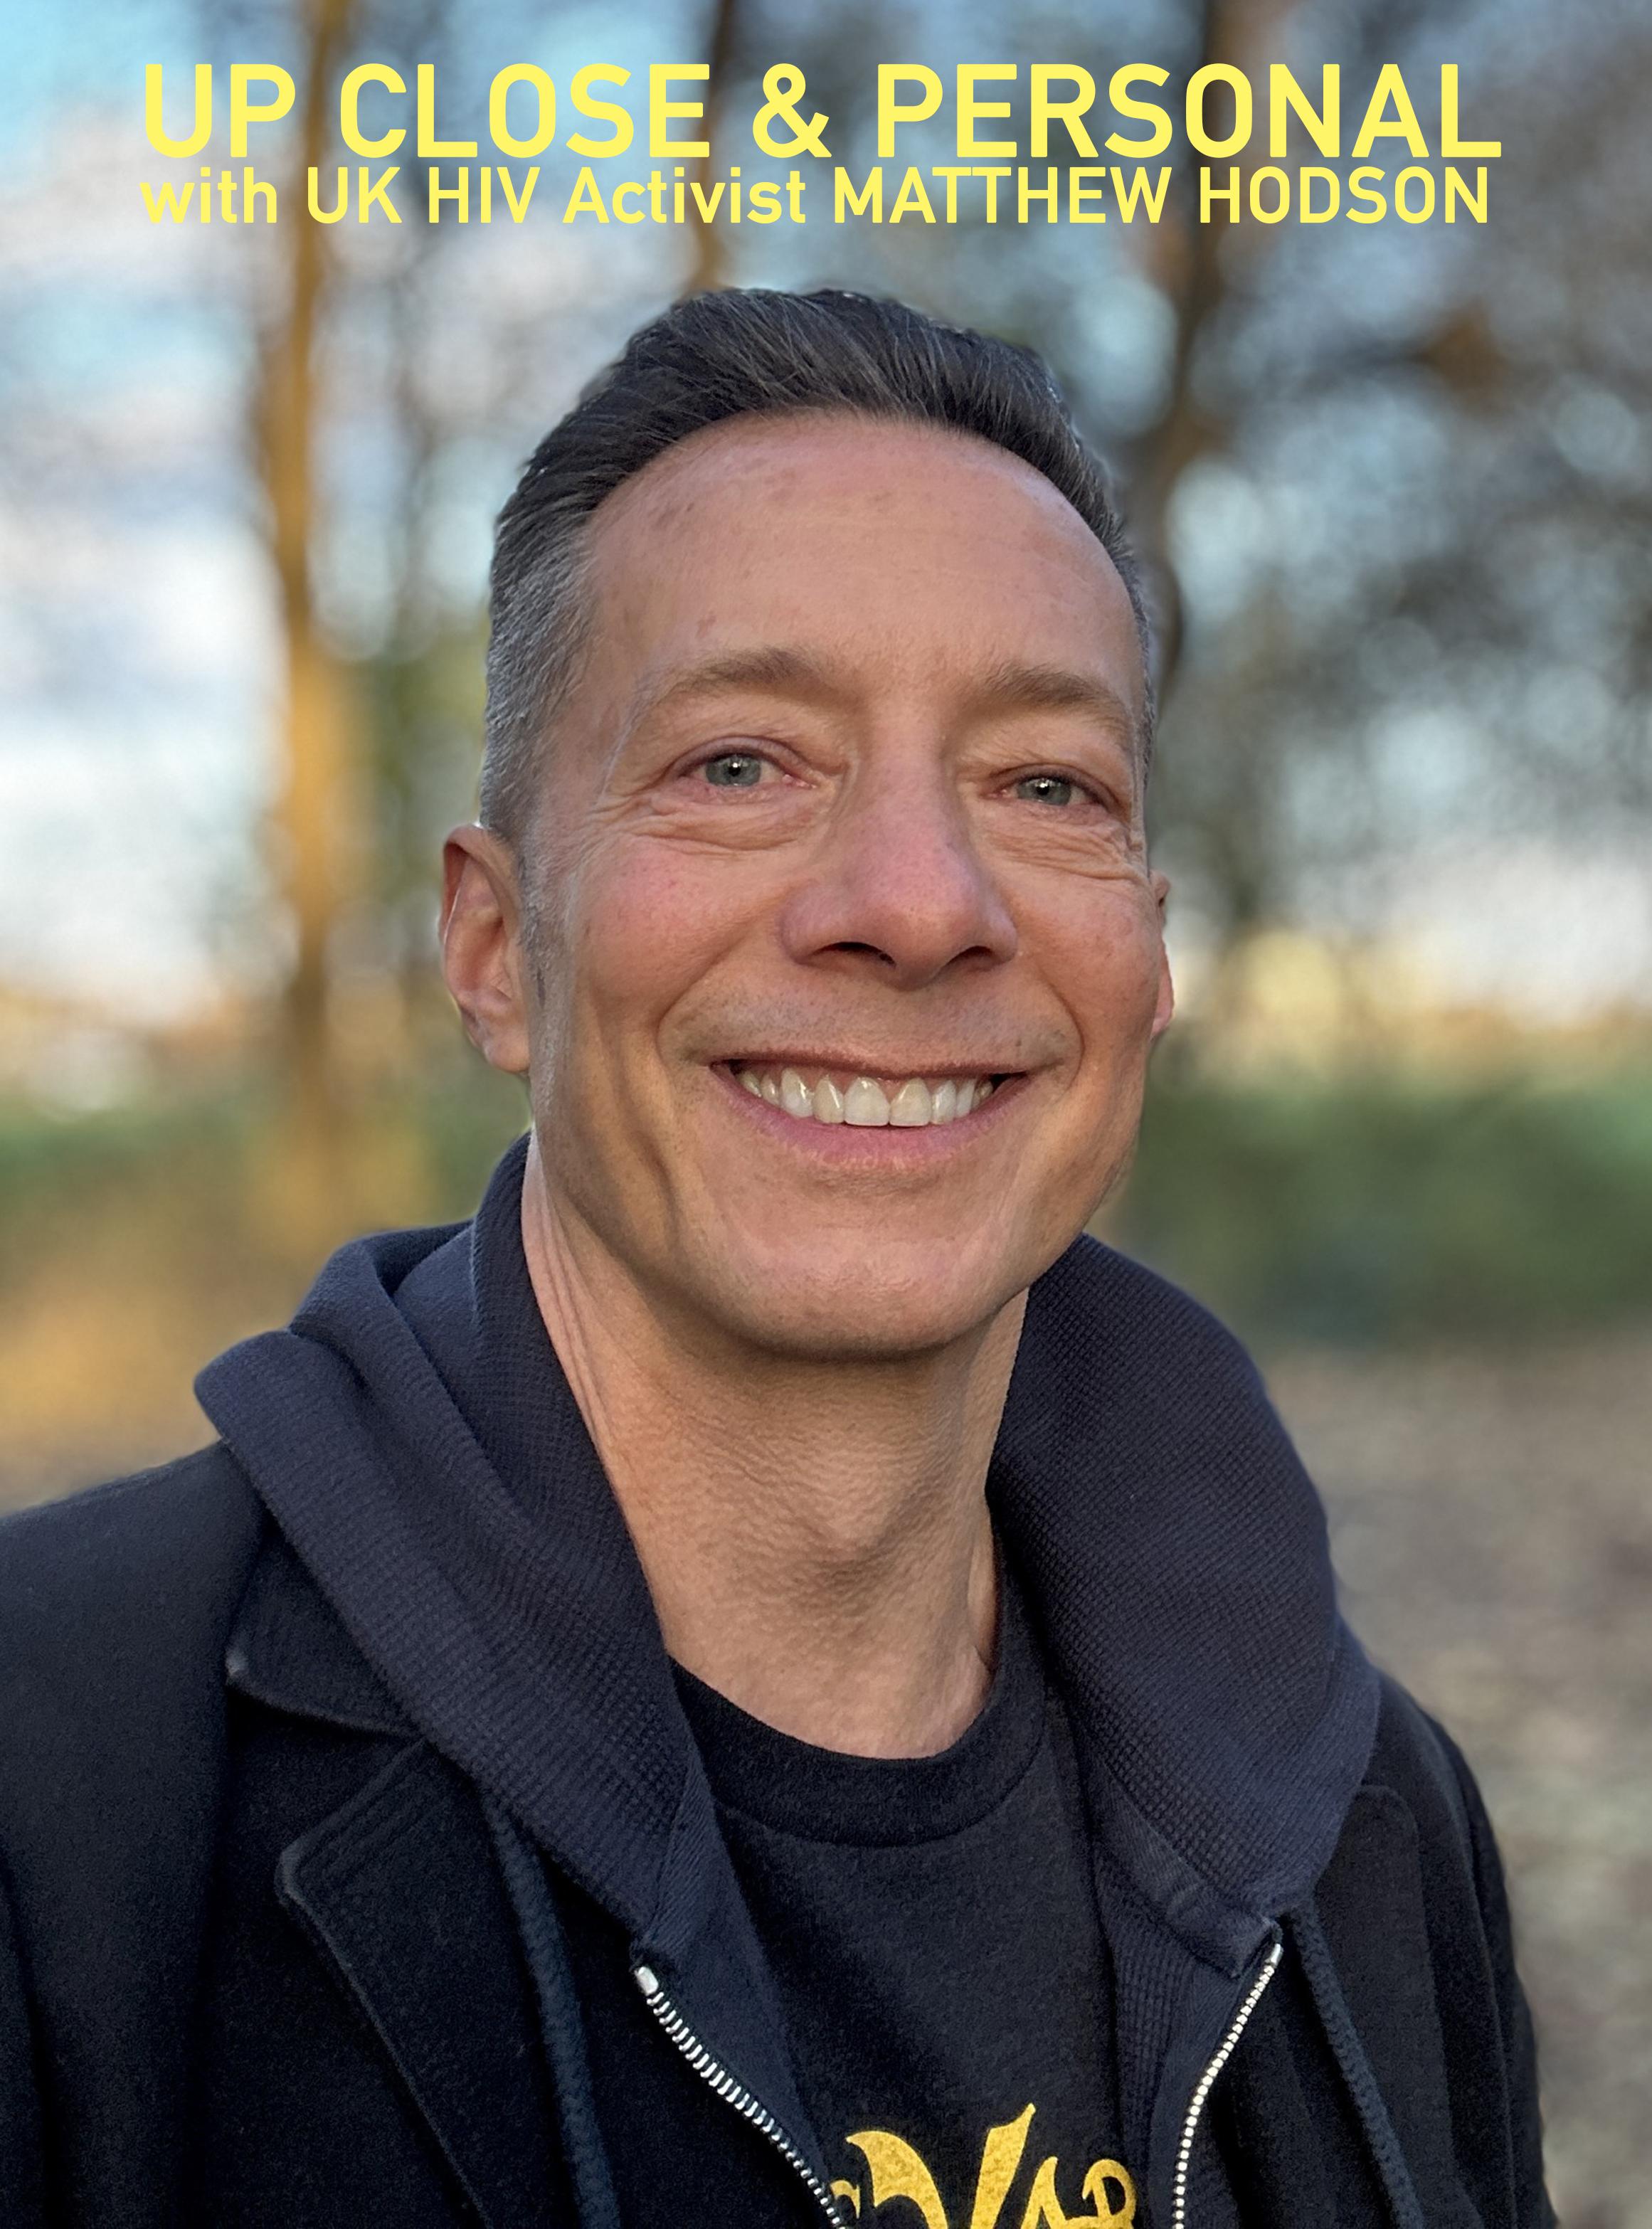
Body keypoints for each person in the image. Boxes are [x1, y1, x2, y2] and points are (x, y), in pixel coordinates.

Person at [0, 288, 1550, 2229]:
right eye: (742, 763)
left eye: (1045, 783)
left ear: (1148, 960)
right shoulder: (55, 1788)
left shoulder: (1365, 1821)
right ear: (492, 950)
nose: (917, 901)